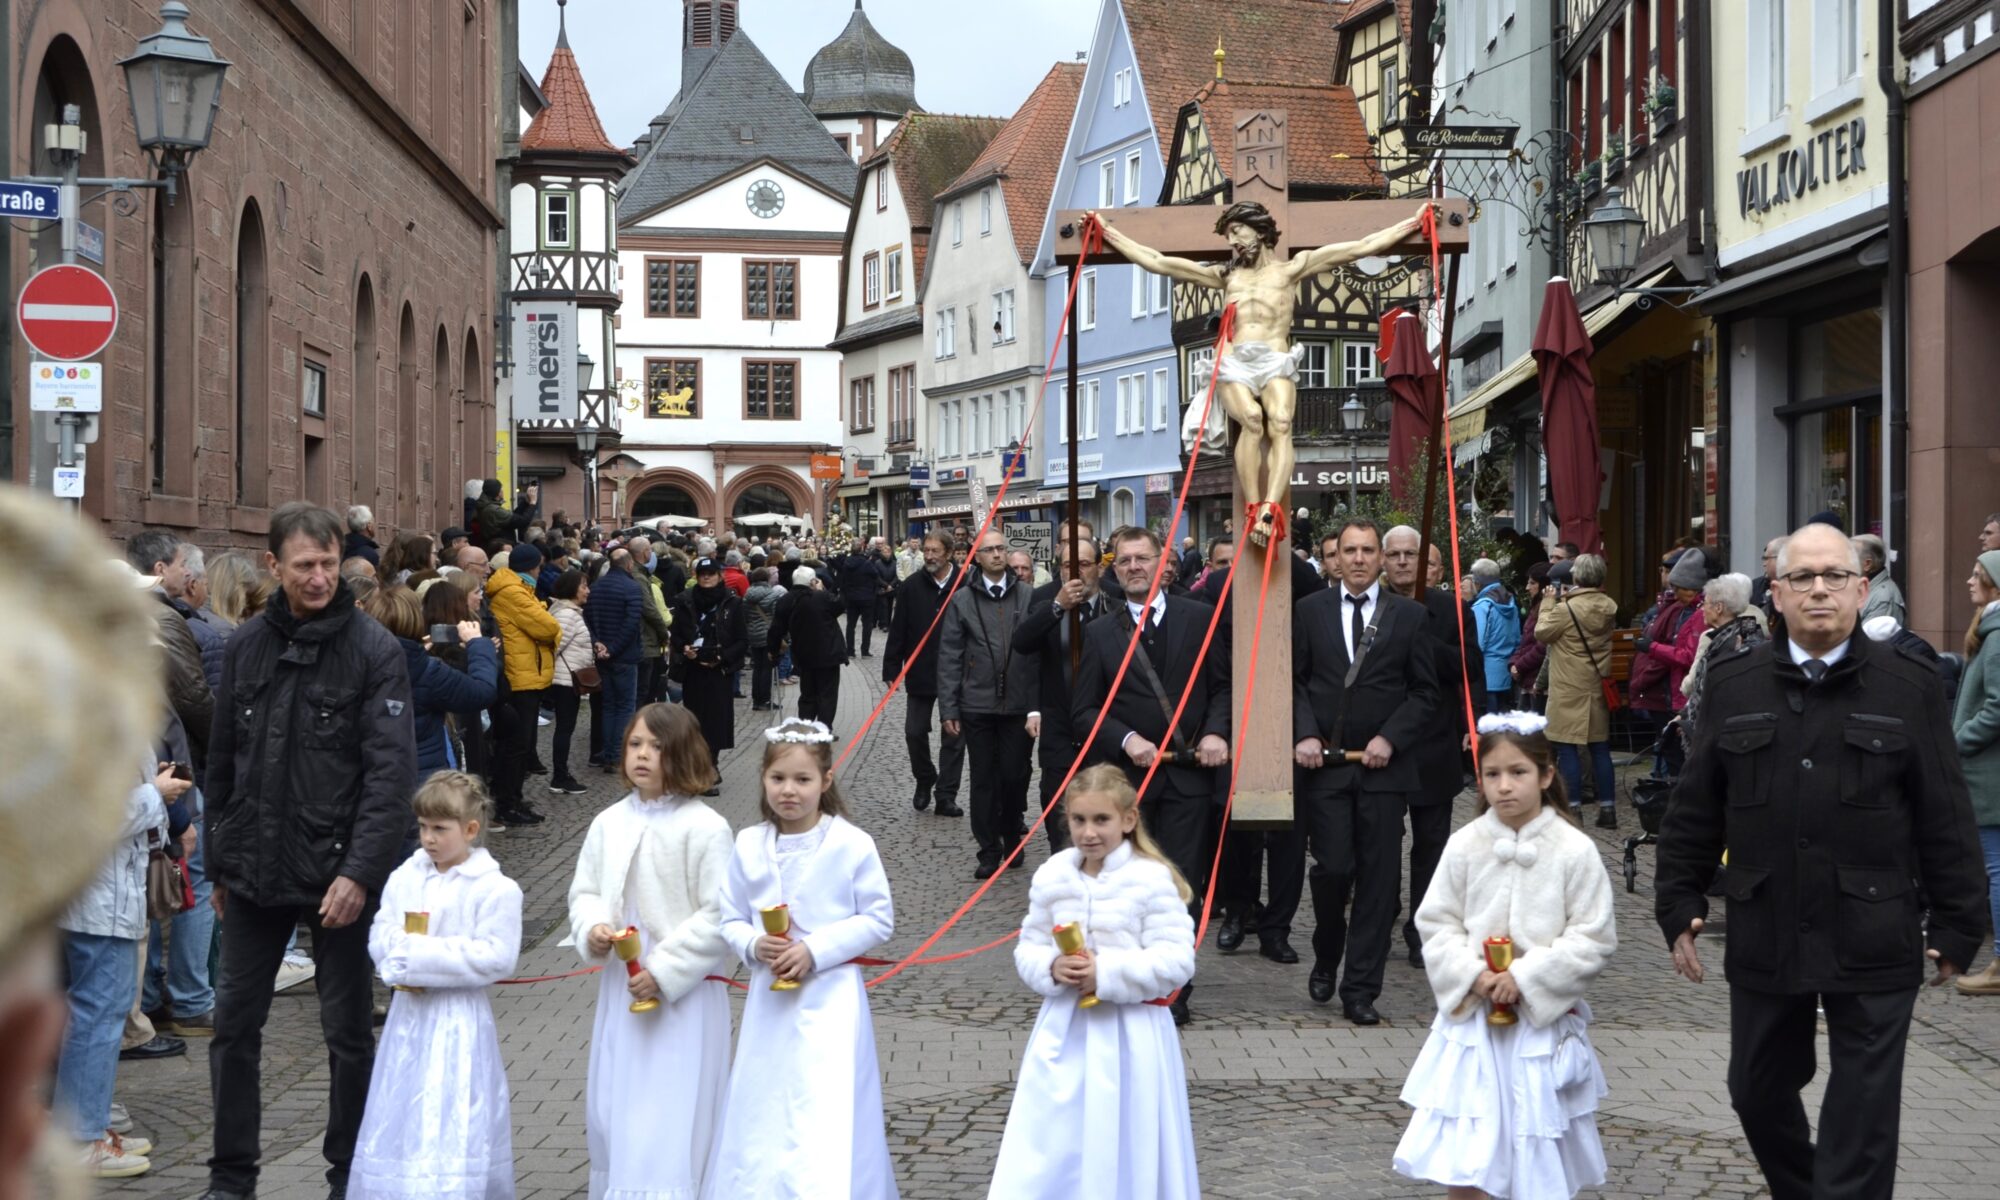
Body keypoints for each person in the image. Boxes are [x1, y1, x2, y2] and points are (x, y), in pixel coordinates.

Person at [1655, 522, 1989, 1200]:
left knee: (1862, 1117)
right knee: (1754, 1090)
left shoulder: (1909, 684)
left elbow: (1945, 811)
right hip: (1766, 923)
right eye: (1801, 578)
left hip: (1876, 928)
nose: (1818, 590)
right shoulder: (1735, 680)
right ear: (1774, 594)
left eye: (1834, 576)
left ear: (1862, 589)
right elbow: (1697, 804)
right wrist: (1678, 901)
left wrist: (1959, 924)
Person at [202, 502, 417, 1200]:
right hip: (254, 871)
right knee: (233, 1028)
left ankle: (347, 1180)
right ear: (275, 567)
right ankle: (231, 1181)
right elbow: (223, 762)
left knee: (347, 1036)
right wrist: (218, 862)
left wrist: (359, 873)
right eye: (305, 566)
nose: (321, 577)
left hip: (338, 877)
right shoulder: (246, 646)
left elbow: (390, 779)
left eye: (328, 563)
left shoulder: (374, 651)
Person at [1090, 199, 1425, 545]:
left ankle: (1270, 507)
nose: (1232, 242)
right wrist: (1110, 233)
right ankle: (1253, 506)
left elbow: (1361, 247)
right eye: (1228, 236)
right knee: (1251, 419)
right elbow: (1159, 262)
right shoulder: (1226, 276)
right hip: (1234, 362)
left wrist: (1412, 225)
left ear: (1260, 230)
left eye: (1236, 232)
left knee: (1280, 422)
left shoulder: (1291, 269)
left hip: (1274, 359)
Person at [1392, 712, 1615, 1199]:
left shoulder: (1573, 850)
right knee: (1468, 1156)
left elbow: (1592, 935)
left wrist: (1529, 976)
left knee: (1539, 1149)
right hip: (1474, 1026)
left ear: (1547, 775)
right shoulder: (1465, 845)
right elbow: (1437, 922)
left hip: (1540, 1025)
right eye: (1492, 774)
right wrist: (1473, 975)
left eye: (1518, 773)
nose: (1505, 786)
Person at [704, 720, 897, 1198]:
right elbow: (729, 916)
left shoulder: (851, 844)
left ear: (825, 782)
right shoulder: (749, 844)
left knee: (823, 1103)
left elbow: (877, 919)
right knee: (764, 1099)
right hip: (769, 1004)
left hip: (831, 1002)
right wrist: (752, 943)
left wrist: (816, 950)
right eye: (778, 779)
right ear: (764, 779)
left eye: (802, 780)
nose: (789, 790)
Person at [988, 764, 1199, 1200]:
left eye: (1101, 820)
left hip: (1132, 1035)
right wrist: (1050, 967)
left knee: (1126, 1134)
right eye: (1079, 820)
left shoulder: (1151, 879)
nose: (1088, 832)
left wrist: (1107, 973)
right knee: (1054, 1137)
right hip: (1065, 1032)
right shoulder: (1054, 874)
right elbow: (1027, 945)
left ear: (1128, 819)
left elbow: (1177, 960)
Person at [567, 704, 734, 1200]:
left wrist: (663, 970)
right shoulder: (608, 822)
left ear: (680, 754)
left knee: (672, 1106)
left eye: (656, 747)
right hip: (623, 989)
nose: (642, 755)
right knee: (617, 1101)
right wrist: (594, 927)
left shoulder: (705, 828)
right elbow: (586, 890)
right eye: (635, 744)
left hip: (681, 995)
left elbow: (719, 914)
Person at [1072, 527, 1226, 1025]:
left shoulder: (1201, 618)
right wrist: (1126, 740)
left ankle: (1174, 986)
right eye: (1125, 562)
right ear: (1114, 570)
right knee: (1130, 883)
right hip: (1127, 785)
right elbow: (1085, 710)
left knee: (1181, 881)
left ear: (1164, 564)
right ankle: (1129, 975)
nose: (1135, 567)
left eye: (1144, 559)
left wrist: (1217, 734)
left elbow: (1223, 686)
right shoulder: (1099, 632)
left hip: (1188, 776)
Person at [350, 771, 522, 1200]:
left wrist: (421, 960)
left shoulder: (496, 888)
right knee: (402, 1107)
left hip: (457, 1021)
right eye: (424, 827)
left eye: (440, 829)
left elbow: (496, 956)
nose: (428, 838)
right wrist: (396, 959)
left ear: (470, 830)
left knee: (453, 1108)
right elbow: (382, 931)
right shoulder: (405, 876)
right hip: (409, 1021)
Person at [1292, 521, 1438, 1025]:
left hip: (1383, 770)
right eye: (1348, 550)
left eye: (1367, 550)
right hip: (1326, 767)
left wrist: (1390, 738)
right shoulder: (1308, 612)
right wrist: (1305, 733)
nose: (1357, 559)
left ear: (1382, 558)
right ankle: (1328, 951)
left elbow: (1424, 692)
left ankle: (1361, 989)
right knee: (1333, 870)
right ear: (1334, 558)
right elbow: (1293, 681)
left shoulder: (1410, 616)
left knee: (1380, 880)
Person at [1382, 525, 1486, 970]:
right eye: (1397, 554)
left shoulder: (1452, 609)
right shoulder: (1372, 605)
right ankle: (1378, 917)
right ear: (1384, 561)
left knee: (1431, 844)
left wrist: (1472, 724)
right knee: (1382, 843)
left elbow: (1470, 667)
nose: (1405, 562)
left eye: (1412, 554)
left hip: (1435, 741)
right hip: (1382, 743)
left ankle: (1422, 930)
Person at [940, 529, 1041, 880]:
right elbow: (950, 656)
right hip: (977, 704)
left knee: (1014, 776)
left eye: (1001, 548)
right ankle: (988, 849)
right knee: (983, 779)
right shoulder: (962, 600)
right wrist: (949, 709)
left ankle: (1012, 835)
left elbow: (1036, 655)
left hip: (1016, 705)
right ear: (977, 556)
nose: (997, 554)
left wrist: (1034, 705)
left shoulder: (1028, 596)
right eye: (989, 550)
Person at [362, 583, 497, 841]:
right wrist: (478, 645)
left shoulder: (358, 661)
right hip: (420, 783)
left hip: (372, 781)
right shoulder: (426, 671)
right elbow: (481, 691)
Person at [1013, 535, 1109, 854]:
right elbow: (1023, 643)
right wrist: (1058, 607)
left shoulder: (1114, 605)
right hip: (1059, 725)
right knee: (1057, 804)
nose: (1076, 572)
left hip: (1105, 726)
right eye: (1068, 565)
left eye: (1083, 564)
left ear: (1098, 567)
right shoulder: (1045, 602)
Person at [1535, 555, 1621, 828]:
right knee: (1599, 749)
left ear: (1578, 577)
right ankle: (1608, 810)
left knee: (1567, 748)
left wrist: (1548, 602)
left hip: (1567, 688)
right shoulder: (1609, 607)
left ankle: (1573, 810)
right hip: (1594, 686)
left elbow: (1542, 633)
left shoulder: (1565, 609)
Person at [884, 534, 966, 817]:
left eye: (935, 551)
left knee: (954, 737)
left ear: (950, 553)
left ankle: (946, 795)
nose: (929, 556)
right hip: (921, 671)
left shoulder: (965, 583)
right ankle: (924, 777)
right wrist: (891, 668)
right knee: (914, 731)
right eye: (927, 551)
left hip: (957, 673)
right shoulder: (910, 586)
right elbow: (899, 629)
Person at [1954, 550, 2000, 996]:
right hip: (1987, 771)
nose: (1969, 580)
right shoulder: (1990, 628)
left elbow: (1997, 707)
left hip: (1990, 775)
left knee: (1997, 868)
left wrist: (1956, 743)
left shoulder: (1999, 633)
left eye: (1977, 574)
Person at [486, 544, 559, 827]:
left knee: (520, 744)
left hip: (527, 673)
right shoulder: (513, 592)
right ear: (531, 568)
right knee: (516, 745)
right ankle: (507, 803)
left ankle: (512, 797)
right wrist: (546, 620)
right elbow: (548, 627)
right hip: (521, 677)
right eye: (539, 567)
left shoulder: (517, 589)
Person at [669, 558, 748, 783]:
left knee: (717, 721)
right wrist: (684, 649)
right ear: (696, 575)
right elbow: (676, 634)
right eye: (702, 573)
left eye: (711, 573)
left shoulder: (732, 602)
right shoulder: (685, 601)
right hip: (693, 670)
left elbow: (742, 640)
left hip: (720, 671)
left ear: (719, 575)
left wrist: (722, 657)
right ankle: (700, 766)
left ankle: (711, 764)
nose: (706, 577)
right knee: (695, 720)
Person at [1635, 550, 1708, 778]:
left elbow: (1688, 655)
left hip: (1686, 693)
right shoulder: (1683, 609)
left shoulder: (1697, 614)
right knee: (1673, 753)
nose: (1673, 593)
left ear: (1690, 587)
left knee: (1681, 758)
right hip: (1675, 691)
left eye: (1677, 588)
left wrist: (1652, 648)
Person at [1679, 573, 1768, 737]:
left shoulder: (1742, 638)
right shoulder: (1723, 635)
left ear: (1718, 608)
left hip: (1727, 732)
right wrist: (1684, 715)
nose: (1701, 609)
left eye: (1704, 603)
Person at [583, 548, 644, 774]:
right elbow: (631, 624)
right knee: (625, 707)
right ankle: (618, 755)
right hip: (624, 657)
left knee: (608, 707)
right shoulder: (632, 588)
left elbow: (586, 620)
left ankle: (607, 755)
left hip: (602, 657)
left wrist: (598, 644)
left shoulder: (595, 588)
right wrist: (614, 648)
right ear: (629, 565)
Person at [770, 566, 848, 727]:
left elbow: (776, 629)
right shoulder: (821, 597)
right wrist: (822, 590)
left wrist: (773, 651)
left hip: (803, 654)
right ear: (813, 581)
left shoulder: (786, 599)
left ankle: (805, 726)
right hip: (828, 653)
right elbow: (840, 604)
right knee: (827, 694)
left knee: (807, 693)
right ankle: (823, 728)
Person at [547, 569, 595, 795]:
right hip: (565, 681)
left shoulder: (571, 612)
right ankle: (560, 775)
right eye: (584, 586)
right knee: (565, 729)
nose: (588, 591)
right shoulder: (566, 614)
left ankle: (561, 774)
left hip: (568, 679)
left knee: (567, 728)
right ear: (572, 588)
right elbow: (554, 648)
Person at [1469, 559, 1520, 713]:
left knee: (1487, 729)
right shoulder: (1511, 602)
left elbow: (1477, 643)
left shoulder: (1482, 606)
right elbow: (1517, 637)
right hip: (1506, 672)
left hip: (1485, 676)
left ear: (1477, 583)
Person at [837, 540, 889, 658]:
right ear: (861, 550)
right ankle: (865, 651)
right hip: (866, 597)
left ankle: (850, 651)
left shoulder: (847, 563)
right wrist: (886, 585)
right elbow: (875, 575)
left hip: (851, 598)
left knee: (851, 625)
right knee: (867, 625)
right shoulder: (866, 563)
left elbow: (842, 579)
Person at [743, 567, 782, 711]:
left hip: (753, 634)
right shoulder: (772, 594)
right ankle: (765, 699)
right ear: (767, 579)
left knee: (757, 668)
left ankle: (756, 700)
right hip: (767, 635)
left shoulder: (747, 596)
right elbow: (776, 617)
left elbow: (745, 617)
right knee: (767, 668)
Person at [1853, 533, 1906, 628]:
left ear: (1867, 564)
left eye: (1850, 558)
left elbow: (1869, 640)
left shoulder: (1883, 599)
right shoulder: (1864, 587)